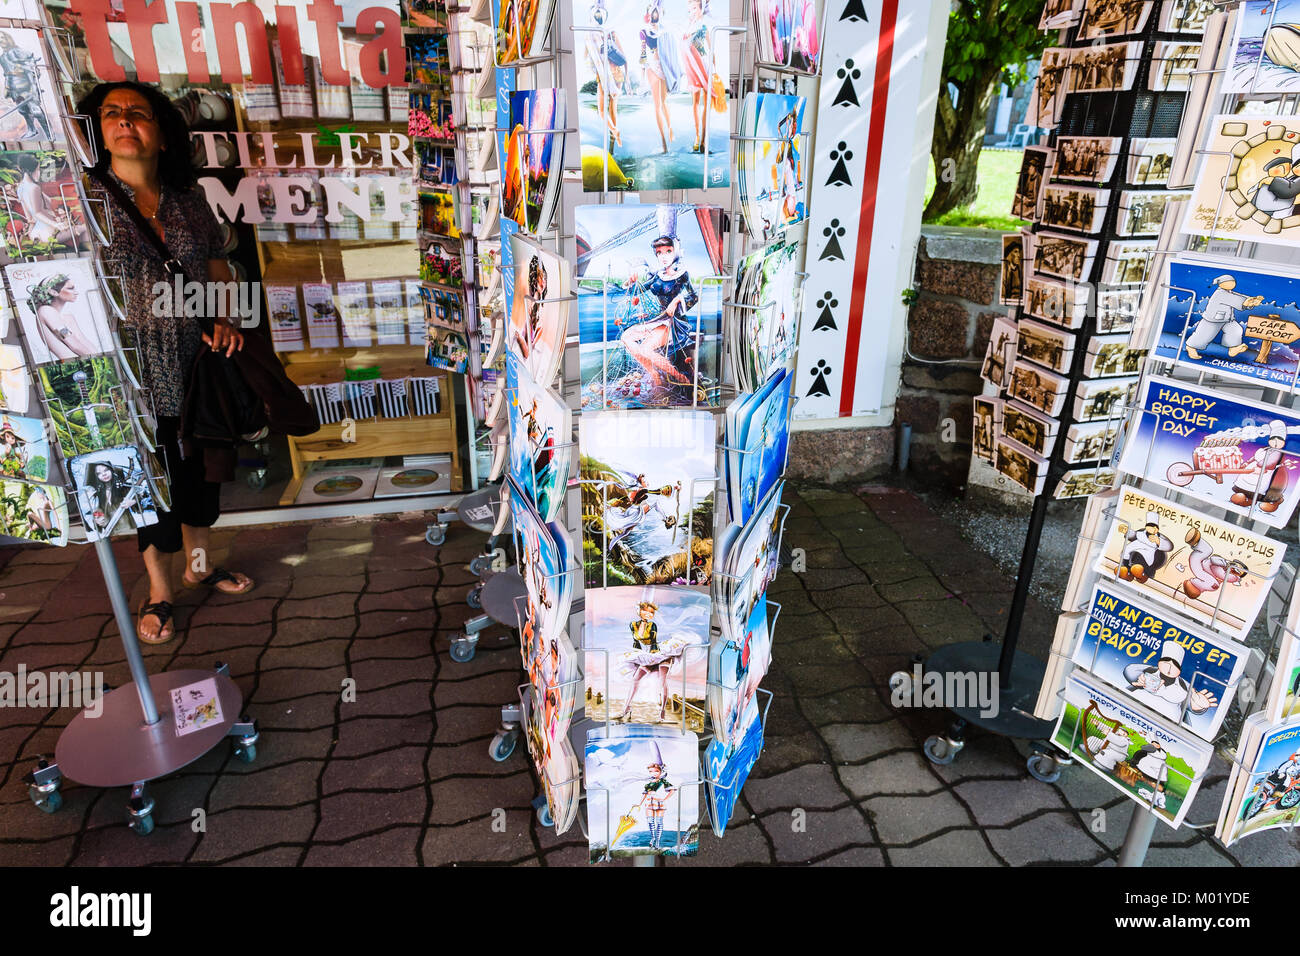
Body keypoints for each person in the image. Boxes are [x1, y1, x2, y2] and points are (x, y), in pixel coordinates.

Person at [79, 81, 255, 645]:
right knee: (146, 482)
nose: (125, 121)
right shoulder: (81, 201)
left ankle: (199, 567)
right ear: (96, 129)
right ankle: (159, 590)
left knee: (201, 472)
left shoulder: (187, 199)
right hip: (127, 373)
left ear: (160, 133)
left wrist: (223, 317)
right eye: (112, 113)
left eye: (139, 113)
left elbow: (216, 266)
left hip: (194, 364)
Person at [1184, 273, 1264, 360]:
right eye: (1229, 282)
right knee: (1204, 334)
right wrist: (1248, 302)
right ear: (1221, 283)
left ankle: (1233, 348)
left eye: (1233, 282)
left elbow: (1238, 296)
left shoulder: (1229, 293)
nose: (1232, 284)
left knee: (1235, 330)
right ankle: (1191, 347)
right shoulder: (1220, 294)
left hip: (1227, 319)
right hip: (1213, 319)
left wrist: (1252, 300)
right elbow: (1234, 299)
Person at [639, 0, 680, 154]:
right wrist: (642, 78)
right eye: (651, 11)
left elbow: (672, 54)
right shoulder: (644, 31)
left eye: (655, 11)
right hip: (652, 66)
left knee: (664, 102)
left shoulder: (666, 32)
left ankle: (670, 129)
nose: (653, 13)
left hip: (664, 68)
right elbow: (642, 54)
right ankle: (663, 142)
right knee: (657, 105)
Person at [26, 273, 98, 360]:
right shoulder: (46, 311)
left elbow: (82, 340)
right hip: (75, 365)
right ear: (53, 292)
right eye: (70, 288)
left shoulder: (68, 318)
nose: (76, 292)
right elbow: (72, 343)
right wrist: (98, 358)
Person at [679, 0, 714, 154]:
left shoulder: (705, 25)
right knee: (695, 101)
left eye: (695, 8)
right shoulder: (688, 26)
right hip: (693, 66)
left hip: (705, 64)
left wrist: (714, 69)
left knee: (706, 103)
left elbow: (711, 48)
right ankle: (697, 135)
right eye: (690, 8)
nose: (692, 11)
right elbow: (684, 46)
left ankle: (704, 140)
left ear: (701, 9)